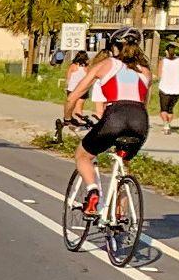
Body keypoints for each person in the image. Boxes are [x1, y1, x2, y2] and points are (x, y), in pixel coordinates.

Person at [64, 27, 150, 215]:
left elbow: (73, 97)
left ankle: (93, 192)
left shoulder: (107, 64)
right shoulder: (145, 71)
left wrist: (68, 118)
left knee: (83, 155)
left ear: (114, 47)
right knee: (124, 165)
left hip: (115, 115)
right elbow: (145, 103)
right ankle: (120, 215)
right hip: (140, 120)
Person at [156, 44, 179, 133]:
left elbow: (159, 74)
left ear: (166, 51)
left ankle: (166, 125)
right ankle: (167, 124)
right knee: (170, 109)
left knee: (163, 109)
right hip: (178, 88)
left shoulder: (163, 61)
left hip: (165, 87)